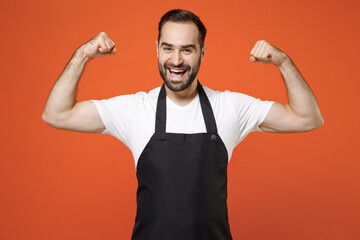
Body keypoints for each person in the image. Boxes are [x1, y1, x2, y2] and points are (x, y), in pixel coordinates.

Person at [42, 9, 323, 240]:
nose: (176, 61)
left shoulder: (230, 107)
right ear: (157, 50)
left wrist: (283, 62)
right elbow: (56, 114)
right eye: (168, 48)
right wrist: (82, 55)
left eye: (187, 50)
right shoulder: (135, 109)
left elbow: (308, 118)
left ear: (202, 53)